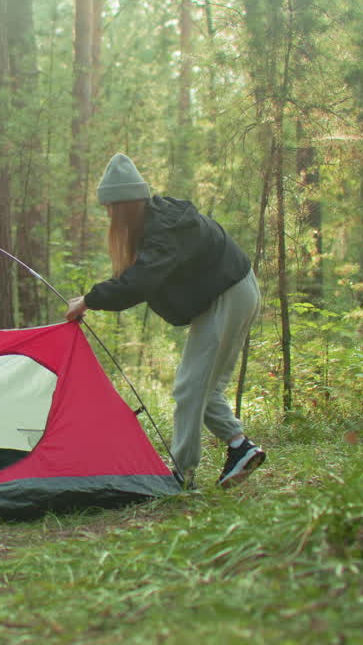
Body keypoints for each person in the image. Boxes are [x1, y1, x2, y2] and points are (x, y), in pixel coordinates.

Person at [64, 153, 265, 489]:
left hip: (229, 292)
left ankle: (181, 474)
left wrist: (88, 300)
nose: (110, 215)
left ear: (126, 204)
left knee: (189, 387)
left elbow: (141, 281)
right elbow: (143, 275)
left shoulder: (164, 229)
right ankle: (240, 447)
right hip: (236, 289)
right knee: (204, 386)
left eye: (112, 207)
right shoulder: (158, 223)